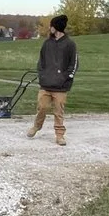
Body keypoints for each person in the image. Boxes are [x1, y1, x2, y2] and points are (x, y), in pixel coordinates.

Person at [27, 14, 78, 146]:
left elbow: (74, 64)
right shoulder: (47, 43)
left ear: (56, 27)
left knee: (58, 111)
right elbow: (41, 62)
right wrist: (42, 74)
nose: (50, 28)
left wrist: (65, 77)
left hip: (60, 86)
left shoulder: (70, 44)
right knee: (42, 107)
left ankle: (59, 135)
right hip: (45, 84)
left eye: (52, 25)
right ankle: (36, 126)